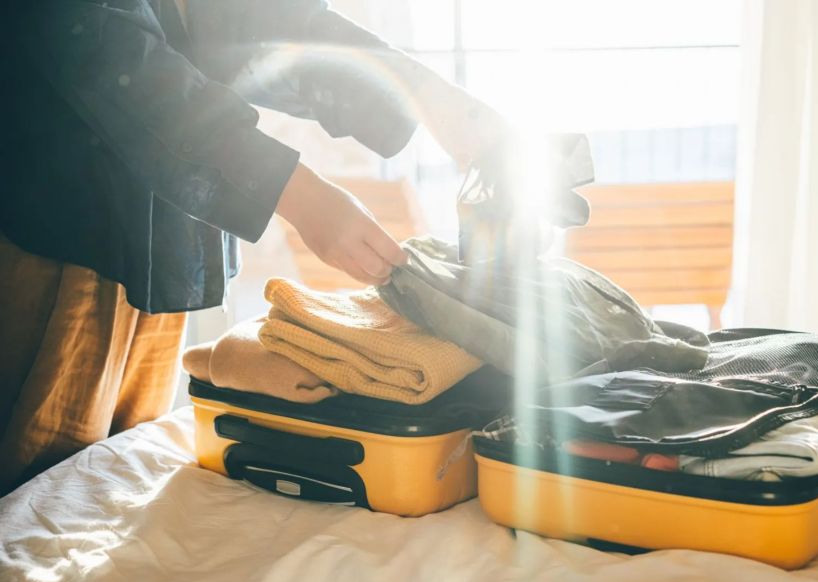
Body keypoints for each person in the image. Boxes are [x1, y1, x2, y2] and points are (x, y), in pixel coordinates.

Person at [0, 0, 511, 494]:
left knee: (107, 491)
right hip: (60, 232)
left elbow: (257, 18)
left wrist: (424, 91)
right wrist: (299, 194)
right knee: (33, 498)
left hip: (159, 234)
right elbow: (99, 45)